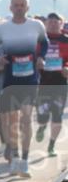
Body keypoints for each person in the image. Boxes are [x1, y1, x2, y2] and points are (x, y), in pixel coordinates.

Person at [0, 0, 49, 177]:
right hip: (10, 79)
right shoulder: (3, 27)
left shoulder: (36, 25)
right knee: (12, 121)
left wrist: (41, 57)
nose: (19, 8)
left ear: (27, 7)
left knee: (26, 118)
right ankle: (15, 158)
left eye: (22, 5)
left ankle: (24, 160)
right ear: (10, 8)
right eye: (15, 5)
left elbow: (45, 42)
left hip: (30, 79)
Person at [36, 13, 68, 156]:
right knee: (42, 114)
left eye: (56, 22)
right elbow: (32, 55)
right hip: (42, 82)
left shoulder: (66, 40)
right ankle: (42, 127)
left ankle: (51, 145)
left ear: (61, 24)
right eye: (50, 22)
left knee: (57, 115)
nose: (53, 24)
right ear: (46, 24)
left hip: (60, 82)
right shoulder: (40, 40)